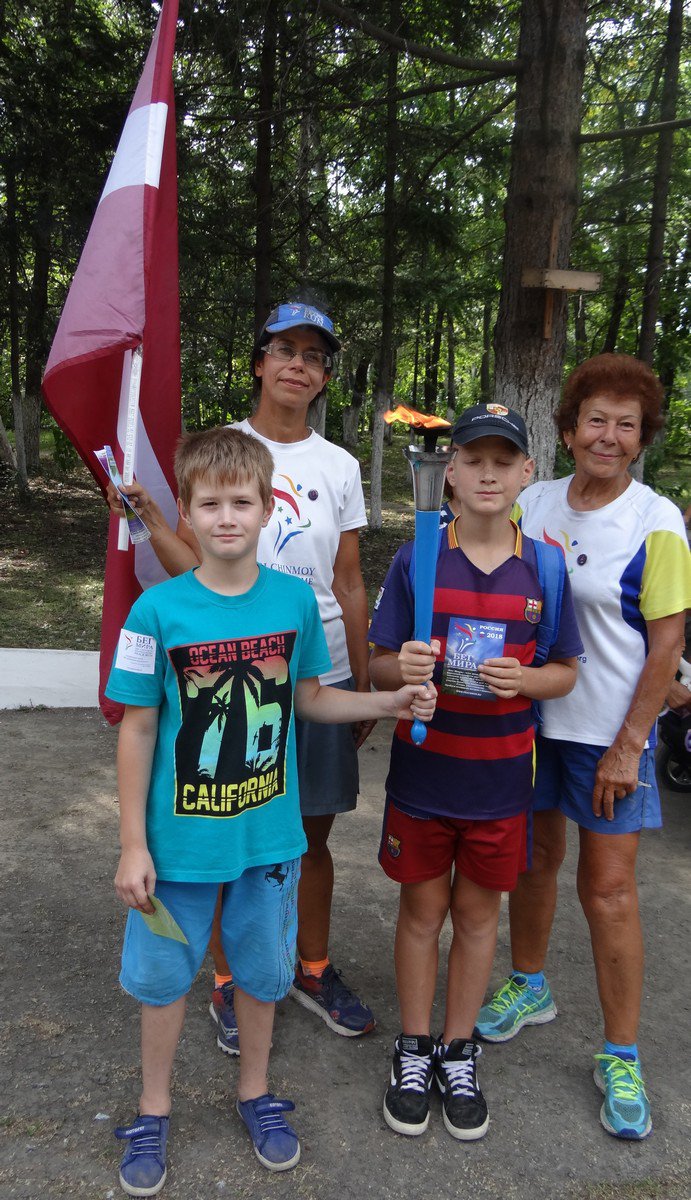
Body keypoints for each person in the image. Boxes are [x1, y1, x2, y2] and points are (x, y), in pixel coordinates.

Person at [107, 426, 435, 1196]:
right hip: (178, 847)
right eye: (209, 504)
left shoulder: (291, 603)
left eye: (240, 503)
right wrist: (132, 843)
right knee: (162, 980)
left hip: (268, 843)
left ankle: (255, 1092)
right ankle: (152, 1108)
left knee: (260, 975)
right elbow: (138, 730)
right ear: (186, 513)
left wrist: (385, 701)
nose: (225, 517)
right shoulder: (155, 612)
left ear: (266, 510)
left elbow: (311, 698)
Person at [108, 301, 377, 1048]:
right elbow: (191, 570)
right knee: (232, 836)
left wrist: (359, 685)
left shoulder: (340, 465)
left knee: (305, 838)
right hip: (231, 677)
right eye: (284, 350)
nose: (298, 365)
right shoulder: (221, 451)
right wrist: (148, 520)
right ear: (259, 363)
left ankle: (308, 966)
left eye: (314, 356)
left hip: (314, 669)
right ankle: (230, 978)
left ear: (325, 377)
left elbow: (350, 579)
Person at [475, 354, 691, 1141]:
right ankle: (529, 984)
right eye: (595, 419)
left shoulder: (654, 521)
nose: (608, 436)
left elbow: (665, 644)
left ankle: (620, 1053)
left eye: (625, 425)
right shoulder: (532, 501)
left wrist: (631, 744)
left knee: (607, 890)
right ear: (567, 430)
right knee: (532, 862)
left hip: (607, 734)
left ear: (641, 439)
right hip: (527, 721)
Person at [368, 402, 583, 1141]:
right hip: (424, 778)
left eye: (504, 461)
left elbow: (564, 671)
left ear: (528, 472)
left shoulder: (545, 566)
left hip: (500, 784)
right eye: (473, 460)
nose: (488, 474)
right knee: (421, 914)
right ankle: (414, 1047)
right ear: (450, 472)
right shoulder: (417, 556)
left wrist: (526, 682)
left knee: (478, 918)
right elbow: (377, 664)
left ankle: (458, 1051)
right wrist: (405, 668)